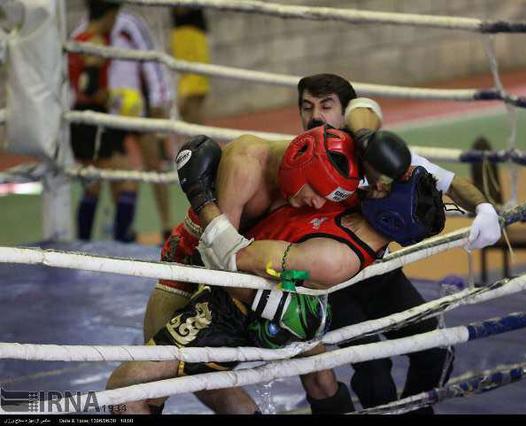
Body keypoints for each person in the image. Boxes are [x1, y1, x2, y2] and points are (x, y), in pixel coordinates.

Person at [106, 126, 447, 414]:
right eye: (382, 181)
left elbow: (230, 260)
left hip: (236, 291)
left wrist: (199, 196)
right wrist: (367, 136)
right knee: (316, 378)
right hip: (206, 264)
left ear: (394, 216)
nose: (379, 186)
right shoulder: (348, 184)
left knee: (129, 385)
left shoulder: (334, 256)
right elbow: (366, 126)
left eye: (389, 188)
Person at [296, 74, 501, 412]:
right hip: (330, 288)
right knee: (375, 374)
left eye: (326, 106)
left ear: (345, 113)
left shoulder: (379, 155)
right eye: (307, 107)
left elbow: (448, 181)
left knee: (436, 352)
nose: (315, 116)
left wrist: (483, 208)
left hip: (380, 277)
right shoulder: (295, 160)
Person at [75, 1, 175, 242]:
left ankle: (166, 227)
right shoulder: (83, 33)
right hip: (105, 111)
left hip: (134, 108)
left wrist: (159, 102)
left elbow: (151, 62)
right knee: (112, 178)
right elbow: (82, 80)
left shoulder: (129, 24)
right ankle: (119, 236)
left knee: (154, 165)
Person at [68, 0, 137, 242]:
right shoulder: (96, 42)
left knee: (94, 185)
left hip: (83, 117)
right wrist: (113, 98)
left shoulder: (80, 39)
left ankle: (84, 244)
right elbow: (89, 85)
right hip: (93, 118)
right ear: (108, 15)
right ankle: (122, 245)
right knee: (126, 180)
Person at [169, 6, 211, 125]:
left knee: (192, 99)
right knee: (188, 104)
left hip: (191, 36)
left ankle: (200, 142)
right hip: (185, 36)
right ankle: (197, 141)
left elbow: (181, 8)